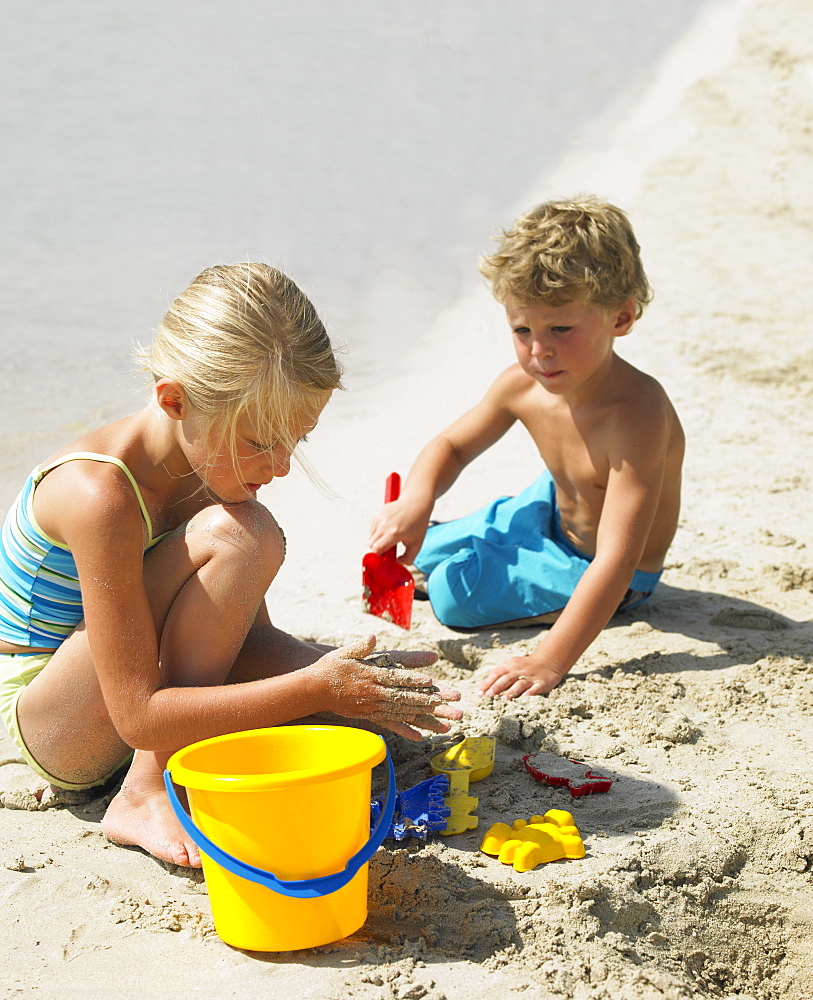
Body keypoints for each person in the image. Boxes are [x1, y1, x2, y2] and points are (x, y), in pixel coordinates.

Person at [0, 262, 462, 867]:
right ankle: (141, 794)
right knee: (245, 539)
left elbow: (245, 641)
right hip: (45, 730)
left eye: (296, 439)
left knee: (350, 723)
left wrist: (349, 676)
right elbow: (138, 716)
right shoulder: (100, 495)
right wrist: (313, 687)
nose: (281, 465)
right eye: (260, 441)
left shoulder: (212, 464)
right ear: (174, 400)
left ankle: (163, 774)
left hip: (124, 703)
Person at [369, 196, 684, 699]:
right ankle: (482, 545)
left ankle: (497, 565)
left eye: (561, 328)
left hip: (602, 563)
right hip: (550, 507)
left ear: (621, 318)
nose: (539, 350)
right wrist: (417, 499)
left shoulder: (637, 415)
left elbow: (618, 558)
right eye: (522, 329)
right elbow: (451, 445)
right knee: (418, 543)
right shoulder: (523, 385)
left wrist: (549, 659)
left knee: (451, 597)